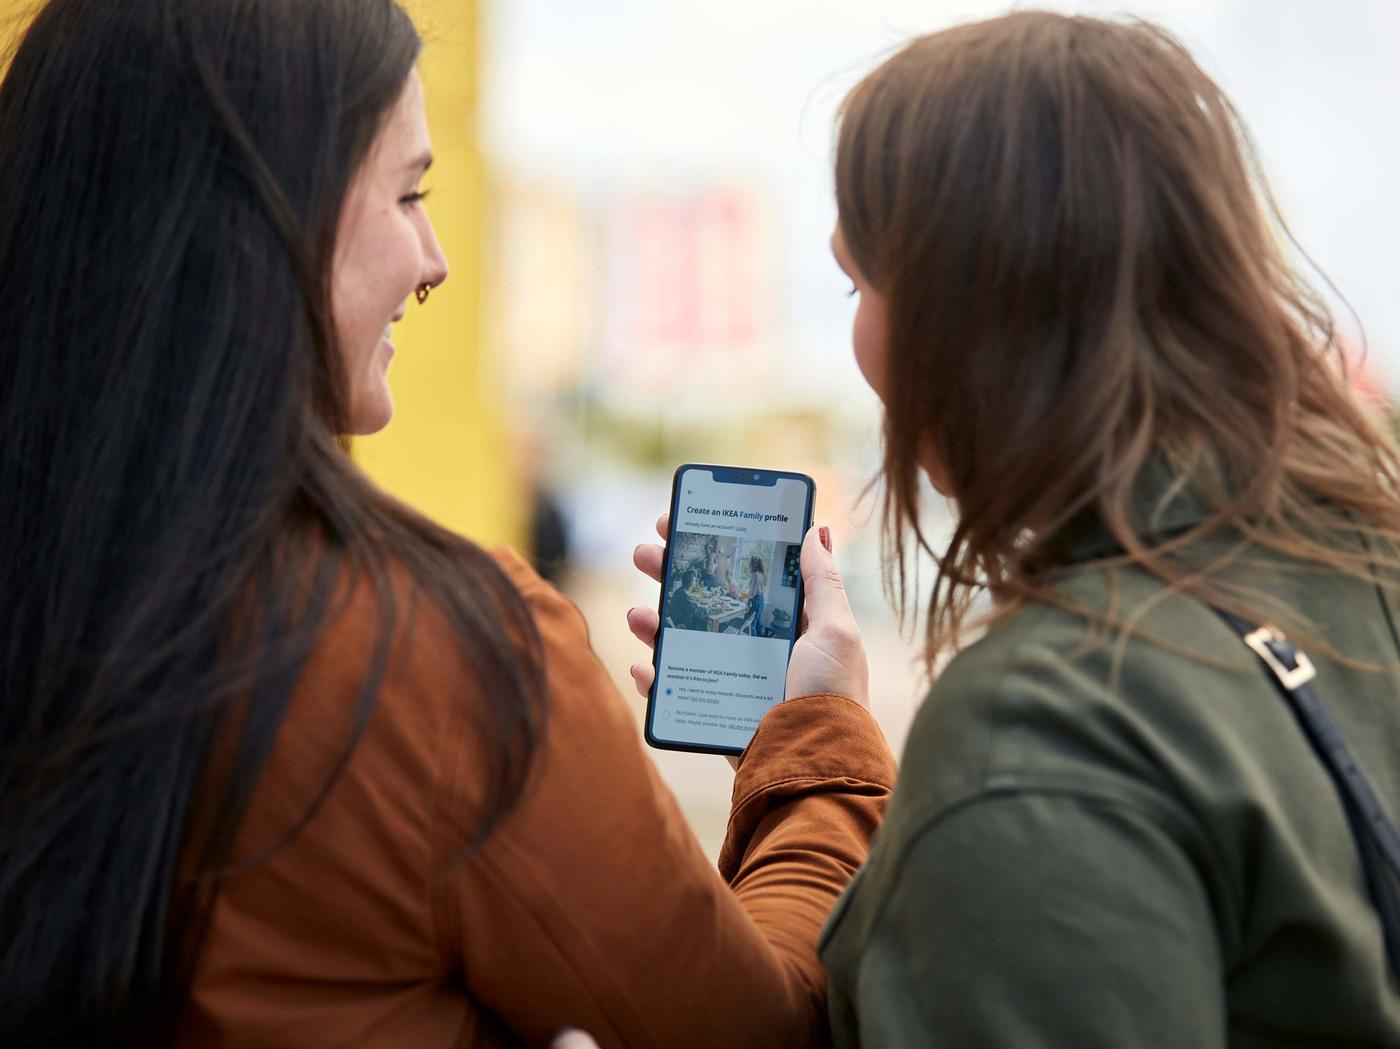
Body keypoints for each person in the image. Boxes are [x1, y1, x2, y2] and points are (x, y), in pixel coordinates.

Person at [0, 2, 895, 1046]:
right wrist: (816, 746)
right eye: (408, 193)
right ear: (263, 215)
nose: (434, 261)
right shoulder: (442, 656)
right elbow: (753, 1029)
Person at [636, 10, 1400, 1045]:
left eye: (858, 280)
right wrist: (814, 734)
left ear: (970, 313)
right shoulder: (1360, 565)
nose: (857, 333)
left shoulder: (1045, 718)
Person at [746, 555, 768, 637]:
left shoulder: (755, 575)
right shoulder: (760, 574)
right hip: (761, 599)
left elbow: (752, 592)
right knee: (757, 623)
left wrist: (747, 603)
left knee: (752, 625)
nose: (749, 565)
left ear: (753, 564)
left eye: (750, 563)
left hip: (756, 600)